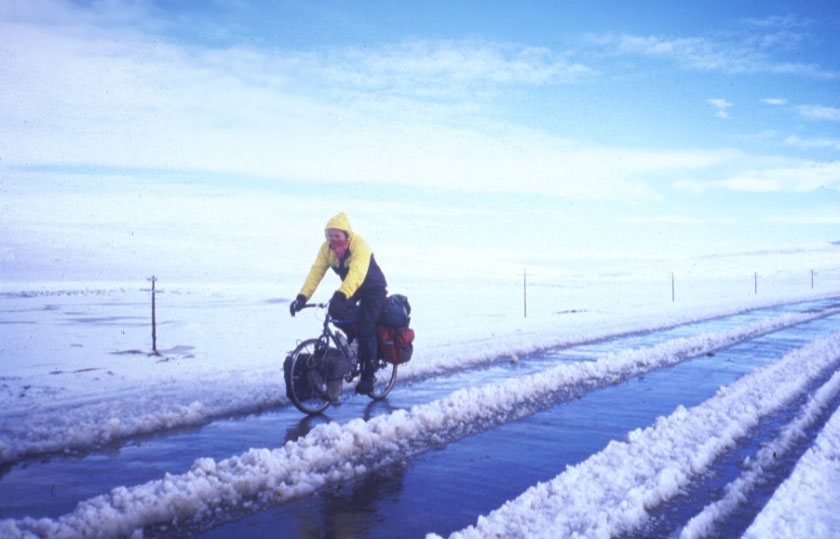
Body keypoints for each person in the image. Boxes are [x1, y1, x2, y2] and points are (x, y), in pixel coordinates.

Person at [289, 213, 387, 395]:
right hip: (353, 287)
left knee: (367, 328)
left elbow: (356, 274)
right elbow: (316, 273)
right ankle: (355, 343)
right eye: (330, 235)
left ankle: (368, 376)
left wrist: (342, 294)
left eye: (337, 236)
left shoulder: (360, 246)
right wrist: (302, 297)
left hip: (373, 287)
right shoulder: (326, 250)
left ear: (347, 235)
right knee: (336, 313)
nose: (333, 240)